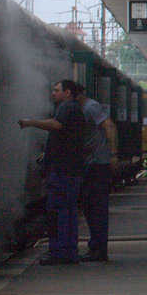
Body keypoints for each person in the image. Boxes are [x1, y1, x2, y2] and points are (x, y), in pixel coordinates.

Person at [19, 79, 88, 264]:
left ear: (67, 92)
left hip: (62, 171)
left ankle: (58, 253)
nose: (53, 93)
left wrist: (30, 122)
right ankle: (70, 252)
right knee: (70, 212)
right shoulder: (76, 109)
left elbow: (57, 125)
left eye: (57, 90)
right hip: (72, 170)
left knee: (58, 212)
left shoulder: (66, 107)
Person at [77, 87, 118, 262]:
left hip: (97, 164)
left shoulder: (91, 107)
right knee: (91, 207)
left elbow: (109, 125)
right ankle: (96, 247)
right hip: (93, 163)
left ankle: (98, 249)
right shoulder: (86, 108)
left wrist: (113, 153)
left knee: (96, 209)